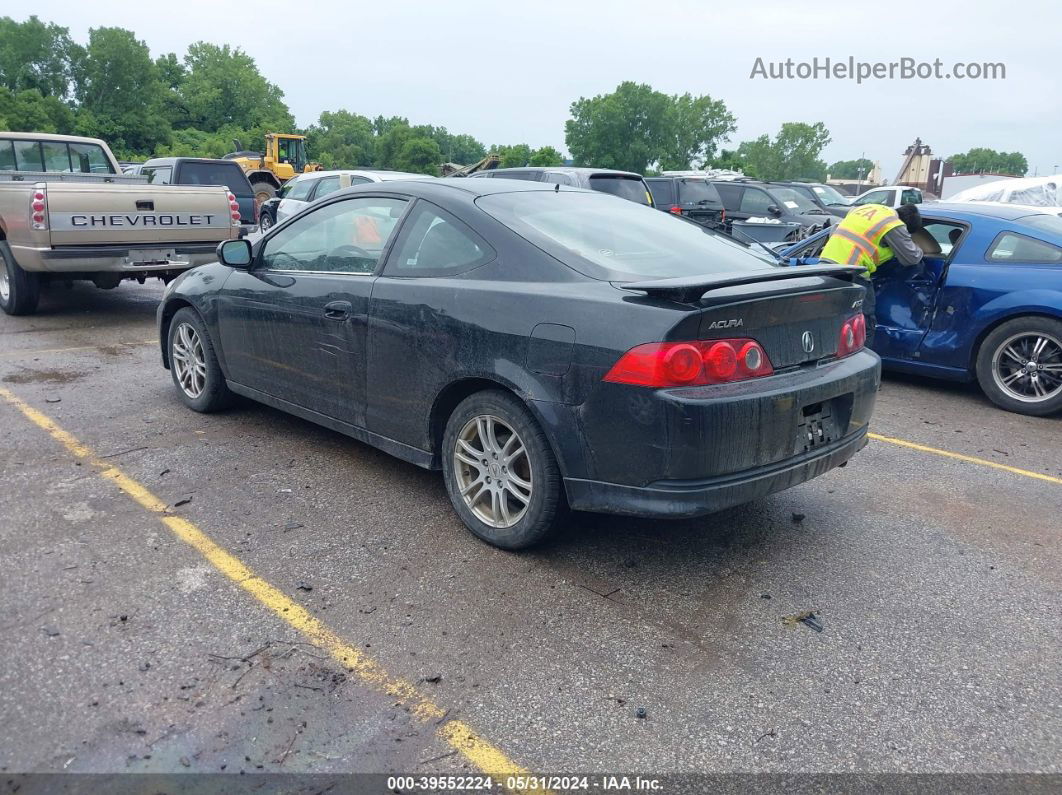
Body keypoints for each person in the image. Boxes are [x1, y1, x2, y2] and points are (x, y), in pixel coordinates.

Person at [820, 202, 924, 346]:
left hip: (824, 266)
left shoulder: (865, 209)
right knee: (864, 323)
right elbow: (911, 258)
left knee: (831, 320)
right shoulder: (893, 223)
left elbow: (836, 230)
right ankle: (862, 362)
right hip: (852, 271)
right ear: (905, 225)